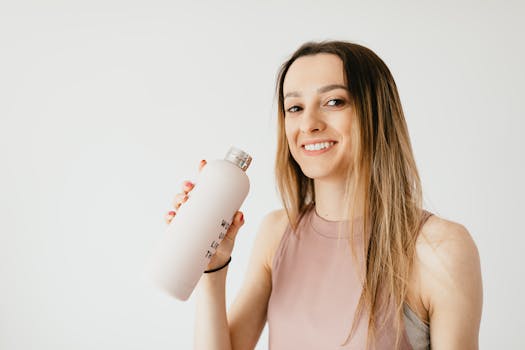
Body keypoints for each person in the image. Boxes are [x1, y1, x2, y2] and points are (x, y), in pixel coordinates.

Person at [164, 41, 483, 350]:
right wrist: (211, 266)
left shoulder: (439, 247)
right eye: (295, 107)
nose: (309, 123)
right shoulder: (277, 232)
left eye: (333, 102)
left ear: (376, 112)